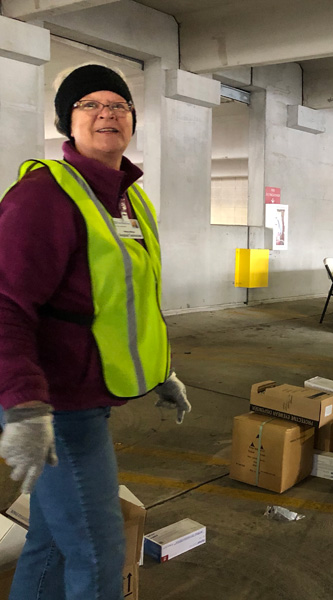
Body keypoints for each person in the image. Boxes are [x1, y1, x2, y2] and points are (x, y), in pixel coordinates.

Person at [0, 64, 192, 600]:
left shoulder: (130, 198)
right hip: (53, 406)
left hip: (88, 397)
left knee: (53, 542)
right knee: (98, 553)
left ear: (132, 120)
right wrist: (23, 405)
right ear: (68, 121)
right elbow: (5, 307)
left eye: (119, 105)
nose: (107, 113)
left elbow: (127, 301)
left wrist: (161, 371)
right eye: (90, 104)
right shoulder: (43, 197)